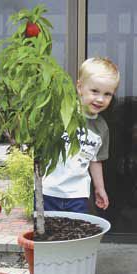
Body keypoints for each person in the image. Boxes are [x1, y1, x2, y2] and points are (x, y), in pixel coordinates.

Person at [42, 57, 120, 213]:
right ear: (80, 87)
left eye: (107, 94)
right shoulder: (63, 113)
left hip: (78, 195)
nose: (100, 99)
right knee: (47, 234)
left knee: (74, 234)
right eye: (95, 91)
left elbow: (96, 160)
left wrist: (100, 188)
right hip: (47, 190)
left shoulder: (101, 128)